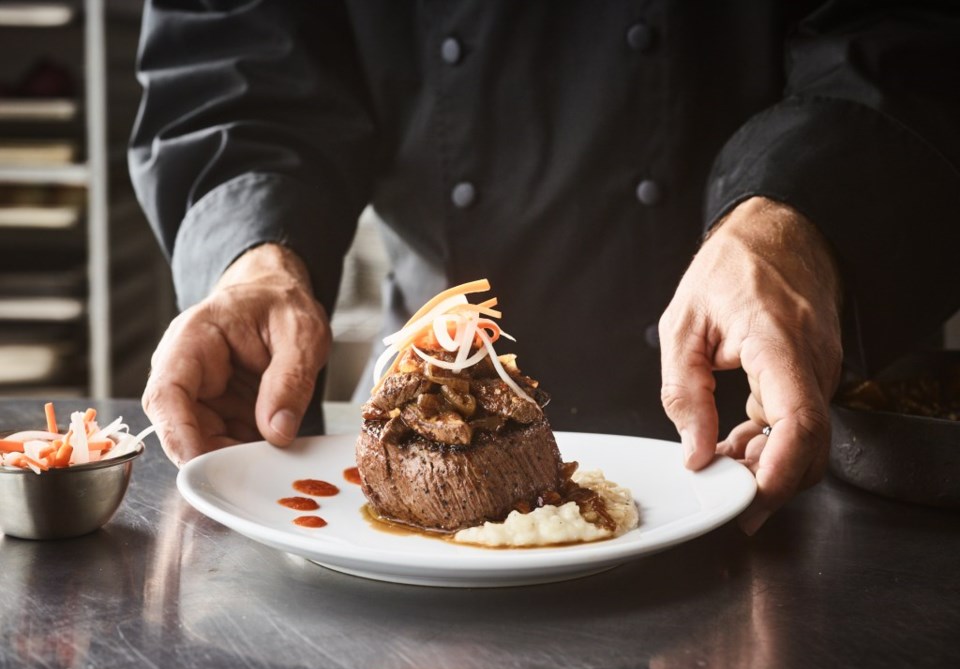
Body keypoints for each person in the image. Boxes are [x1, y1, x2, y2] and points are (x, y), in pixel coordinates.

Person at [129, 1, 960, 535]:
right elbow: (236, 52)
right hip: (429, 393)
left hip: (766, 408)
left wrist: (796, 212)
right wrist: (251, 250)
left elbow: (901, 30)